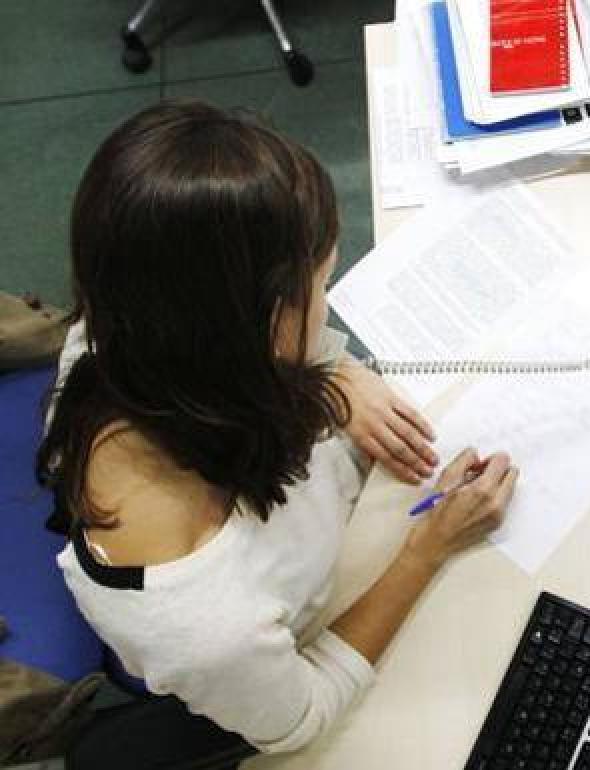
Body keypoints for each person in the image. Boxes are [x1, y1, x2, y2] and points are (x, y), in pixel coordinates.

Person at [36, 99, 519, 757]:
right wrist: (427, 548)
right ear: (260, 330)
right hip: (327, 596)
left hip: (324, 506)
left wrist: (337, 375)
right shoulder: (209, 623)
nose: (327, 307)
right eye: (321, 285)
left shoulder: (125, 326)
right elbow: (304, 716)